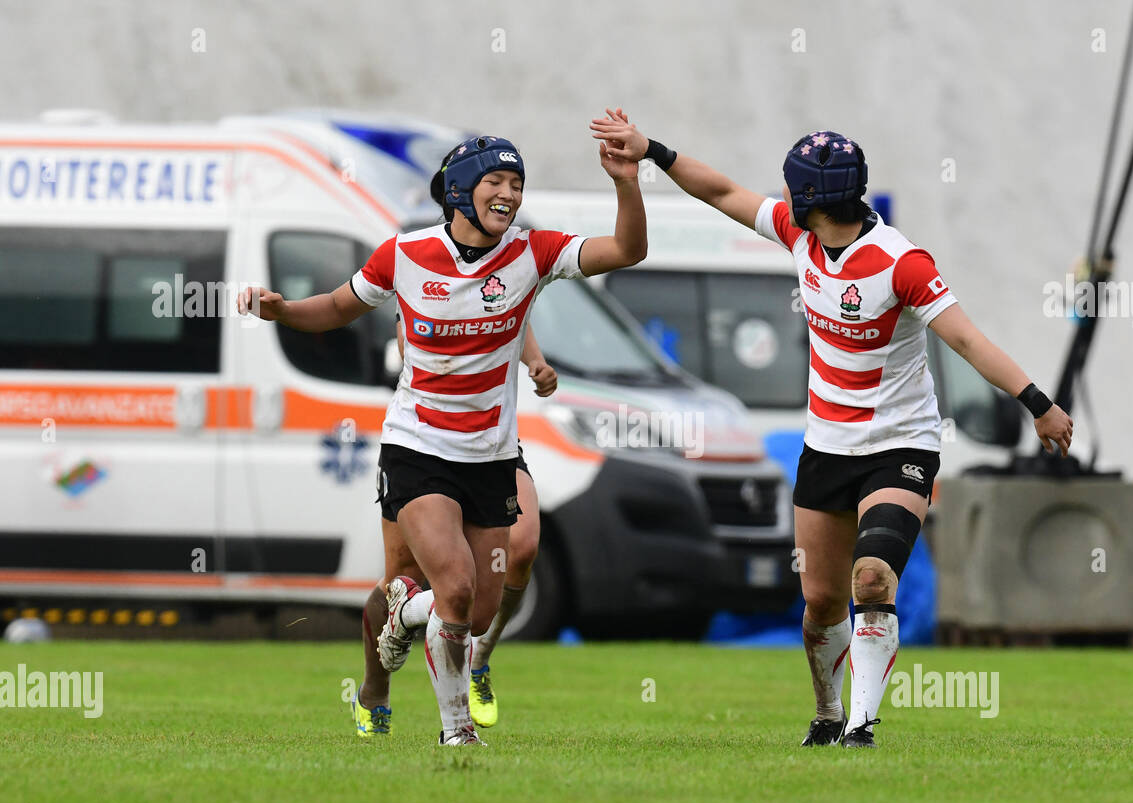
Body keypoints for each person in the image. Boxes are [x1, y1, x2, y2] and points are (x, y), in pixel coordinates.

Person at [591, 111, 1072, 749]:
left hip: (901, 446)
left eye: (791, 187)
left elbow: (966, 338)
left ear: (811, 197)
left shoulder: (901, 262)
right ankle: (827, 711)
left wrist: (1036, 401)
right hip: (827, 448)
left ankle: (862, 726)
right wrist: (651, 150)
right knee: (819, 603)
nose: (782, 196)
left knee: (872, 579)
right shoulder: (800, 234)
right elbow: (721, 191)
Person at [239, 128, 646, 746]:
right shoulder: (403, 253)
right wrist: (284, 311)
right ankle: (450, 730)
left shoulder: (532, 253)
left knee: (476, 610)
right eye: (496, 182)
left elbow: (627, 250)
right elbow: (338, 306)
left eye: (516, 184)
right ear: (459, 191)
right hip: (417, 448)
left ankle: (405, 617)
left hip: (490, 456)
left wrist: (625, 182)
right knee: (450, 588)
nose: (509, 194)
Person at [351, 319, 556, 737]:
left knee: (522, 546)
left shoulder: (507, 262)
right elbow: (405, 336)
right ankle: (374, 691)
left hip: (491, 444)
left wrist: (535, 361)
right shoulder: (420, 261)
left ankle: (478, 658)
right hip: (424, 445)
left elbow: (516, 306)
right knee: (402, 577)